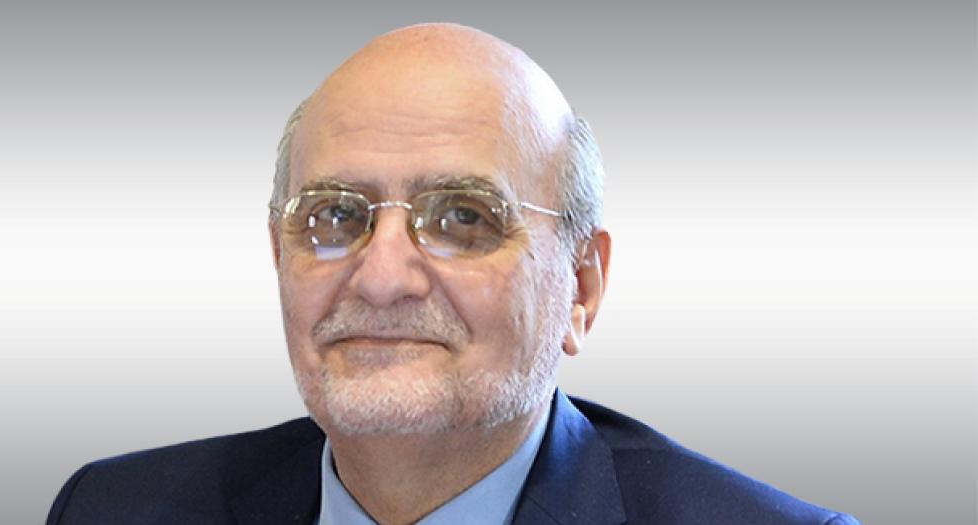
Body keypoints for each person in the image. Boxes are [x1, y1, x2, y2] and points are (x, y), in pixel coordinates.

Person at [47, 23, 859, 525]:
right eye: (334, 217)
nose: (381, 277)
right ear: (278, 256)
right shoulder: (113, 509)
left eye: (463, 219)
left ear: (581, 288)